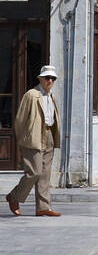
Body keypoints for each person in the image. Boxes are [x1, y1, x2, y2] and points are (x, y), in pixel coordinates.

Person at [6, 65, 62, 217]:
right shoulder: (31, 94)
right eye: (47, 78)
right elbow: (20, 120)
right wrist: (22, 139)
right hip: (34, 136)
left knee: (45, 174)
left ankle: (43, 207)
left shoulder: (51, 96)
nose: (50, 80)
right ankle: (14, 196)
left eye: (53, 78)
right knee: (34, 172)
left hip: (49, 134)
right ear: (40, 78)